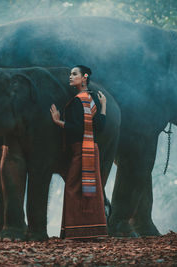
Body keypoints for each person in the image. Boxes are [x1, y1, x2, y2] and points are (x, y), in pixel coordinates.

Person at [50, 65, 108, 240]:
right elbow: (100, 127)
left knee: (73, 188)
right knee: (92, 189)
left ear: (84, 77)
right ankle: (94, 231)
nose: (70, 76)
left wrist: (58, 121)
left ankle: (75, 232)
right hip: (93, 149)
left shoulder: (76, 101)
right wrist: (104, 105)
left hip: (81, 149)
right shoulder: (91, 100)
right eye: (70, 74)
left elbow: (76, 129)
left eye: (74, 74)